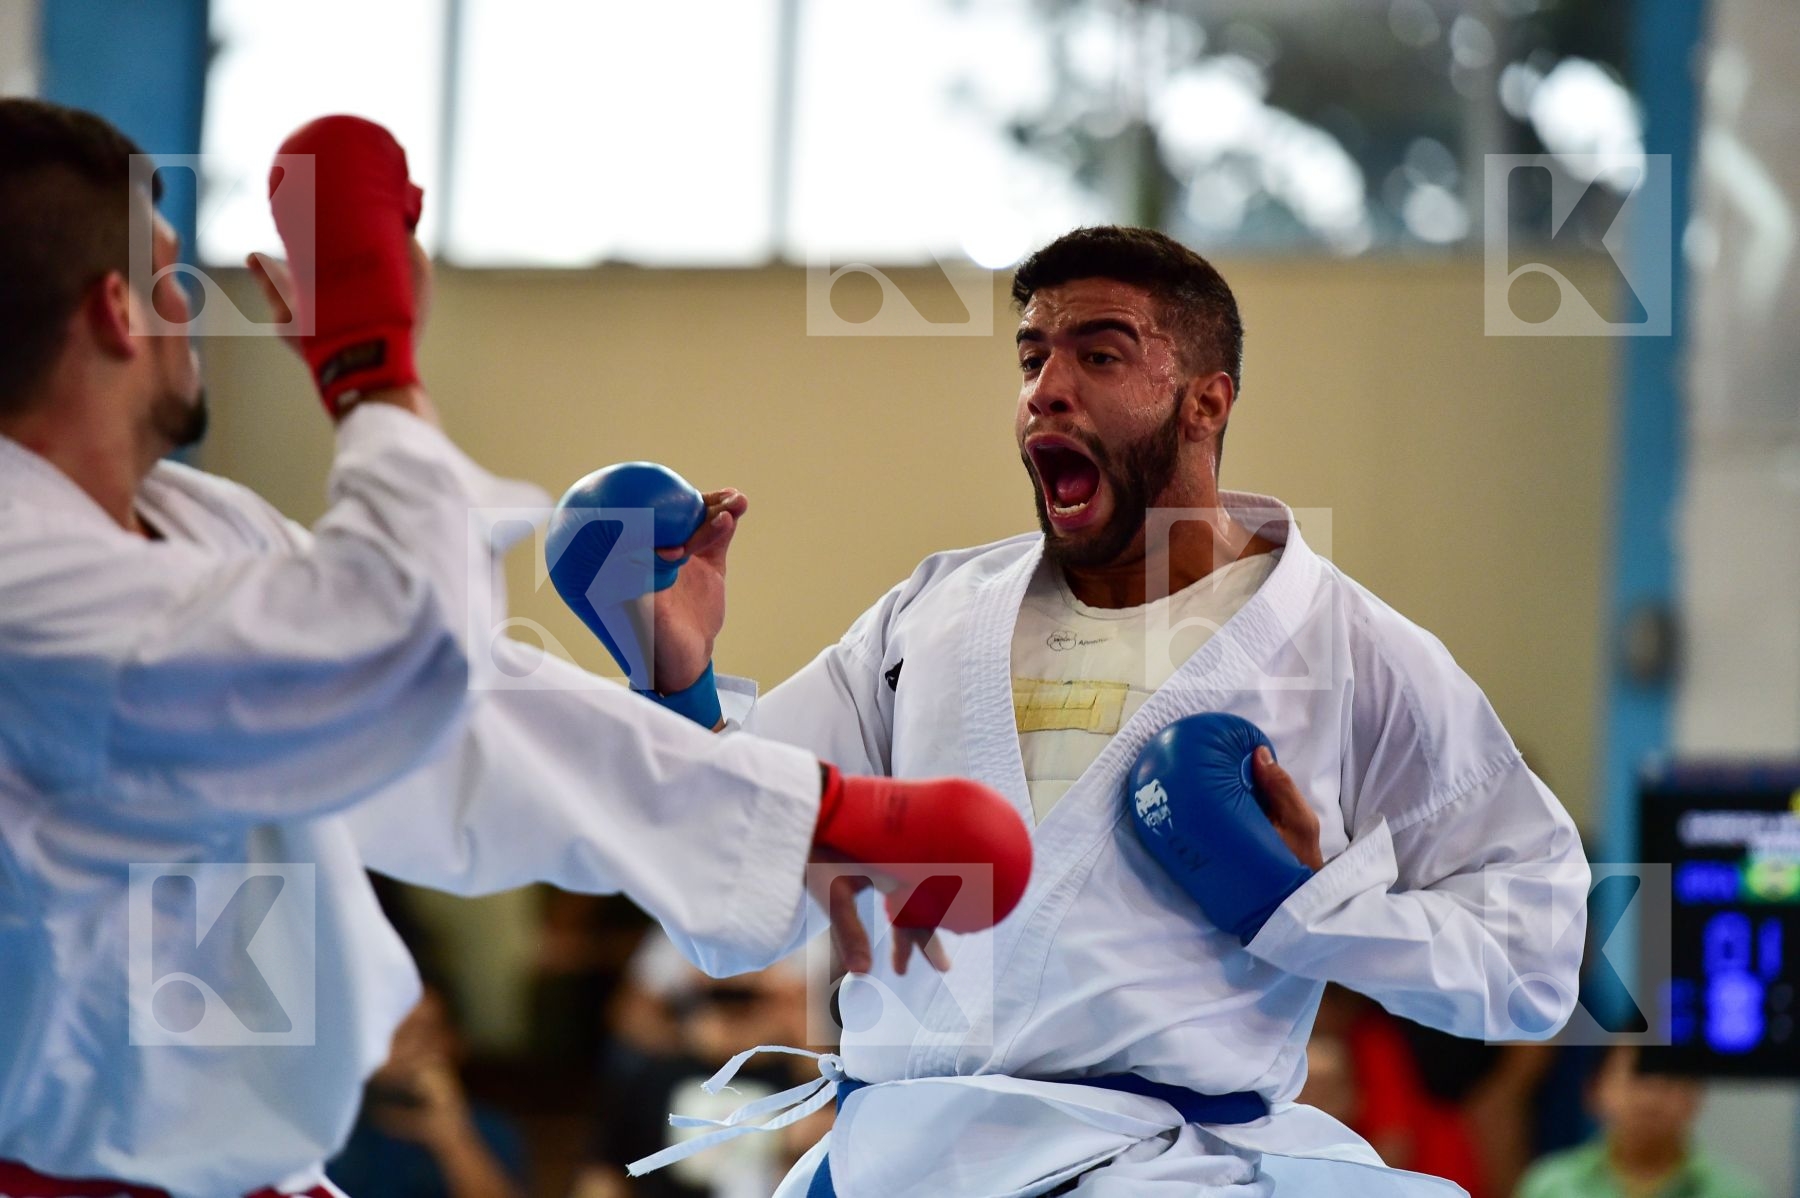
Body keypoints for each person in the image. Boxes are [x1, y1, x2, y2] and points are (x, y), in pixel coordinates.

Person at [0, 99, 1029, 1197]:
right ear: (116, 312)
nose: (198, 312)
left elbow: (452, 712)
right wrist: (371, 366)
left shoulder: (195, 526)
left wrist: (804, 816)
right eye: (172, 279)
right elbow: (391, 646)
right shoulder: (26, 583)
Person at [612, 225, 1591, 1195]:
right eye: (1032, 356)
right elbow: (736, 897)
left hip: (1160, 1171)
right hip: (891, 1159)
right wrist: (680, 684)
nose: (1047, 387)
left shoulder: (1351, 651)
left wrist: (1309, 905)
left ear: (1208, 401)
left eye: (1101, 354)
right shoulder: (930, 619)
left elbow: (1535, 961)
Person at [1514, 1046, 1762, 1198]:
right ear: (1594, 1090)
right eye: (1636, 1075)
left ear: (1695, 1095)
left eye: (1668, 1078)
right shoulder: (1549, 1188)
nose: (1650, 1097)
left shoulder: (1739, 1193)